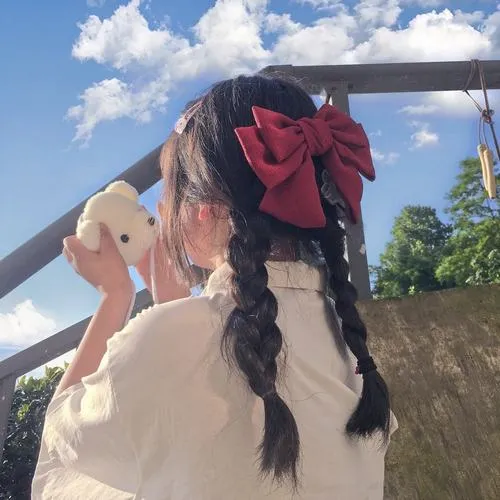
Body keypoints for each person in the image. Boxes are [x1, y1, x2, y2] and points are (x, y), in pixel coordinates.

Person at [32, 75, 397, 500]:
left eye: (170, 186)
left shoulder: (167, 339)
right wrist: (171, 307)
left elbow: (61, 450)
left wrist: (116, 299)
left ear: (203, 207)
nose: (163, 209)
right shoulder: (349, 346)